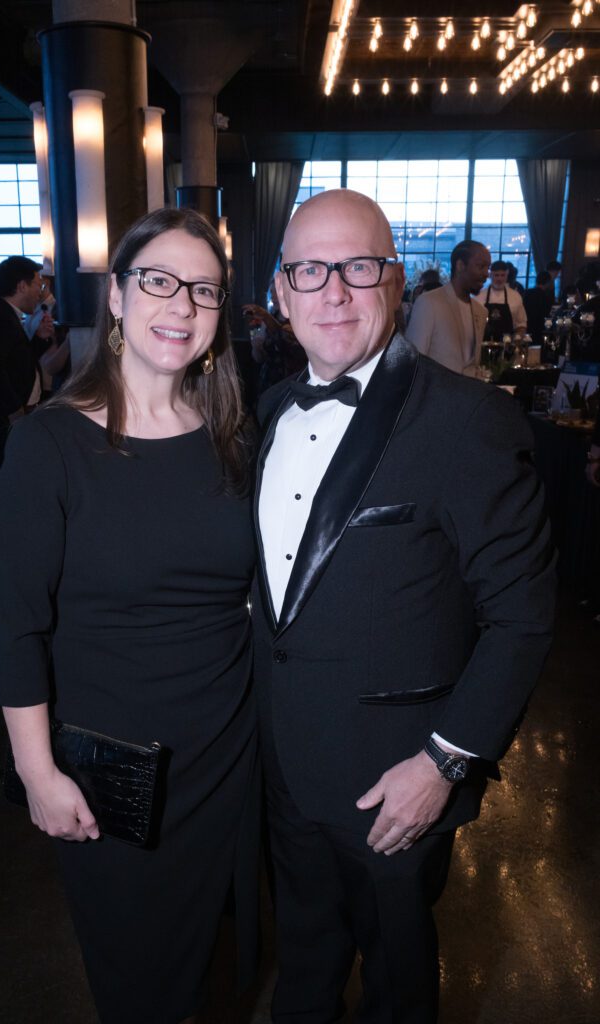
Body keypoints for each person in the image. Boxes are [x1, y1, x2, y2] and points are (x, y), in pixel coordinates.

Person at [252, 189, 556, 1024]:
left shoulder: (468, 422)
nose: (334, 291)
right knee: (303, 972)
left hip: (398, 783)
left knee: (397, 984)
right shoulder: (268, 413)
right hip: (285, 772)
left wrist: (444, 764)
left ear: (394, 283)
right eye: (310, 270)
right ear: (282, 293)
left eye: (358, 266)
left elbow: (523, 617)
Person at [0, 208, 258, 1024]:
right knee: (144, 990)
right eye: (159, 281)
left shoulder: (232, 437)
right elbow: (15, 626)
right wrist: (37, 772)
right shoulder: (51, 446)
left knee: (225, 976)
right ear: (117, 296)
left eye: (202, 290)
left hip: (229, 763)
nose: (180, 304)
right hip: (117, 780)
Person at [0, 256, 55, 472]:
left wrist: (40, 338)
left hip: (17, 412)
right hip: (8, 416)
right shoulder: (0, 318)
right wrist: (15, 410)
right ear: (22, 286)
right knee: (11, 473)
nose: (39, 293)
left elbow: (18, 359)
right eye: (36, 284)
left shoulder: (6, 315)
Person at [405, 239, 489, 375]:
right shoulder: (429, 302)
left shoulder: (481, 311)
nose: (486, 274)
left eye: (487, 267)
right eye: (481, 266)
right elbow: (413, 361)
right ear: (460, 265)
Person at [476, 258, 527, 342]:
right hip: (483, 344)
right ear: (490, 275)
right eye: (496, 275)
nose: (499, 279)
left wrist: (517, 340)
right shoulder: (479, 296)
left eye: (502, 275)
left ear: (507, 276)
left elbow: (521, 324)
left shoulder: (515, 296)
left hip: (507, 346)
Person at [523, 269, 554, 346]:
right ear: (548, 282)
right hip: (539, 330)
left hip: (525, 328)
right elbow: (546, 315)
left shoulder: (526, 293)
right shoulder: (546, 297)